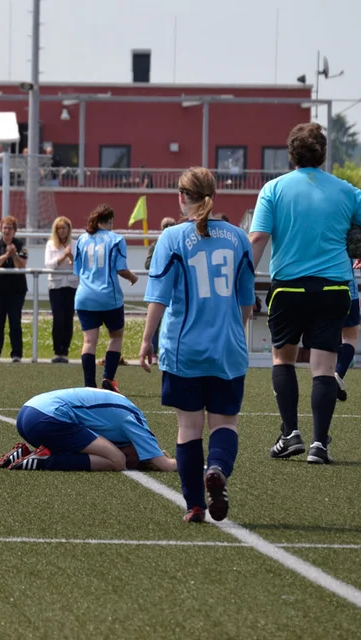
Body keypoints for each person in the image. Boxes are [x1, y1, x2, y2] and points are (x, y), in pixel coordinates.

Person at [249, 123, 361, 464]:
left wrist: (241, 280)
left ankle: (290, 435)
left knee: (283, 359)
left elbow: (257, 240)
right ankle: (319, 445)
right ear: (323, 154)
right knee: (324, 366)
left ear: (291, 154)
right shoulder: (345, 190)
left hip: (288, 287)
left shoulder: (273, 189)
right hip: (333, 288)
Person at [140, 167, 256, 523]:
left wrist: (147, 339)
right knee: (225, 424)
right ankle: (218, 468)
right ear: (213, 195)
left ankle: (194, 505)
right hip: (227, 349)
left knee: (188, 429)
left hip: (183, 350)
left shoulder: (171, 238)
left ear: (181, 197)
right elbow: (246, 301)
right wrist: (235, 331)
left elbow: (158, 298)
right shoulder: (239, 239)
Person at [0, 387, 176, 473]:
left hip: (28, 412)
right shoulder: (138, 424)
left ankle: (27, 453)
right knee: (116, 461)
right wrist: (197, 464)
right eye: (135, 459)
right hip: (48, 417)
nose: (131, 461)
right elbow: (166, 465)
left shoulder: (126, 414)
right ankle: (44, 461)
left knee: (84, 449)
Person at [73, 205, 138, 392]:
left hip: (85, 297)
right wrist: (133, 277)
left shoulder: (82, 239)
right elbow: (120, 268)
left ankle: (89, 385)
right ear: (110, 220)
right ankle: (108, 378)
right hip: (109, 297)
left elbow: (78, 270)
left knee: (89, 341)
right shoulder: (116, 239)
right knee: (116, 337)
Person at [0, 216, 29, 363]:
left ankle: (16, 354)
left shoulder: (21, 245)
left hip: (16, 289)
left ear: (15, 230)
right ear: (1, 229)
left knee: (15, 321)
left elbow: (22, 265)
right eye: (5, 227)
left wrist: (14, 255)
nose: (7, 231)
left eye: (10, 228)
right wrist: (6, 255)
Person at [44, 216, 79, 363]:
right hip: (56, 285)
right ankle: (57, 351)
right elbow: (49, 265)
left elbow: (79, 264)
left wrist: (71, 256)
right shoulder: (51, 244)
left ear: (69, 229)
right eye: (59, 228)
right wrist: (62, 257)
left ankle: (65, 350)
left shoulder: (75, 244)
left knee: (68, 318)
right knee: (57, 318)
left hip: (71, 285)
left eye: (64, 228)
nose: (62, 231)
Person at [335, 264, 361, 402]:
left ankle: (324, 380)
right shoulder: (350, 240)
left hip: (320, 290)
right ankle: (337, 374)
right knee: (350, 337)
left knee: (327, 337)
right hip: (347, 290)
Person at [144, 217, 178, 357]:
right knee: (155, 321)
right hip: (159, 287)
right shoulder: (156, 245)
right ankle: (153, 352)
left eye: (171, 225)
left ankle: (172, 351)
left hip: (175, 289)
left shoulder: (179, 243)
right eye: (166, 226)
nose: (168, 228)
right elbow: (147, 264)